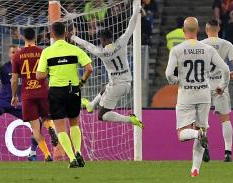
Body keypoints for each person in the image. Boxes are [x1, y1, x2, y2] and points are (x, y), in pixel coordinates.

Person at [165, 17, 230, 177]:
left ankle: (196, 135)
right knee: (202, 128)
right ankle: (195, 169)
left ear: (183, 30)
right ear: (198, 30)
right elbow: (226, 69)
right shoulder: (207, 49)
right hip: (204, 94)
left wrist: (176, 81)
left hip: (186, 94)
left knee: (182, 133)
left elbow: (168, 74)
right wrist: (222, 86)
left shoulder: (177, 49)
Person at [70, 4, 144, 129]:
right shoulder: (121, 42)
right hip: (127, 84)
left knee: (102, 115)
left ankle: (130, 119)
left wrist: (73, 37)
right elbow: (131, 27)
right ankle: (91, 105)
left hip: (117, 86)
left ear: (103, 40)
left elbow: (87, 45)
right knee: (106, 87)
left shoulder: (102, 53)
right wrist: (136, 10)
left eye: (101, 40)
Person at [36, 22, 93, 168]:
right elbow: (89, 68)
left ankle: (72, 158)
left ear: (52, 34)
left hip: (56, 91)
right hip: (73, 89)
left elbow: (39, 76)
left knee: (60, 127)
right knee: (74, 123)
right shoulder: (74, 49)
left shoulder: (47, 52)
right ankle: (79, 151)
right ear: (66, 34)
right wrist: (82, 82)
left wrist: (51, 70)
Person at [0, 46, 38, 161]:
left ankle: (32, 153)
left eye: (18, 52)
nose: (15, 54)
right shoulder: (5, 68)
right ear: (9, 54)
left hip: (19, 102)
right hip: (3, 100)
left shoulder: (26, 67)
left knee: (37, 122)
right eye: (13, 52)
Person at [201, 19, 233, 162]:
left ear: (207, 29)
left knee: (202, 119)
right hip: (221, 84)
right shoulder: (226, 44)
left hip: (203, 85)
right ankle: (228, 153)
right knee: (225, 119)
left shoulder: (201, 44)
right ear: (218, 28)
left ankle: (204, 150)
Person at [11, 27, 53, 162]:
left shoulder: (17, 55)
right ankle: (51, 129)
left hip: (27, 94)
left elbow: (14, 80)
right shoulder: (43, 52)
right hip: (42, 91)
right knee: (46, 118)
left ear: (23, 37)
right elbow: (50, 72)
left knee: (35, 128)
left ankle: (47, 154)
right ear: (35, 38)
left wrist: (14, 96)